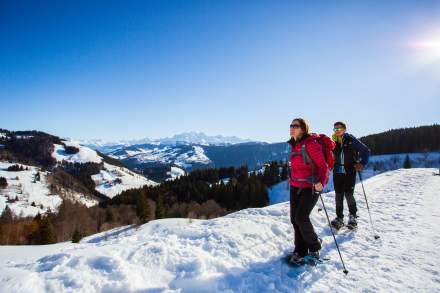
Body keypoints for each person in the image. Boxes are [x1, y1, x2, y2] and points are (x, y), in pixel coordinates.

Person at [287, 118, 329, 264]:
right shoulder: (294, 144)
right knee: (294, 219)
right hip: (295, 186)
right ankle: (300, 249)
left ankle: (314, 246)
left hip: (310, 186)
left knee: (301, 217)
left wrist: (321, 183)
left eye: (295, 126)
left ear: (303, 129)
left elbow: (323, 167)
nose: (292, 128)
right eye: (291, 125)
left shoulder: (311, 144)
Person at [331, 121, 370, 229]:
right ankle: (339, 218)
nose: (336, 131)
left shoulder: (351, 140)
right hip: (337, 172)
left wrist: (361, 163)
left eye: (338, 129)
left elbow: (365, 151)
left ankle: (352, 217)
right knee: (338, 195)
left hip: (350, 171)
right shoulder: (333, 142)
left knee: (348, 194)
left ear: (344, 129)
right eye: (335, 129)